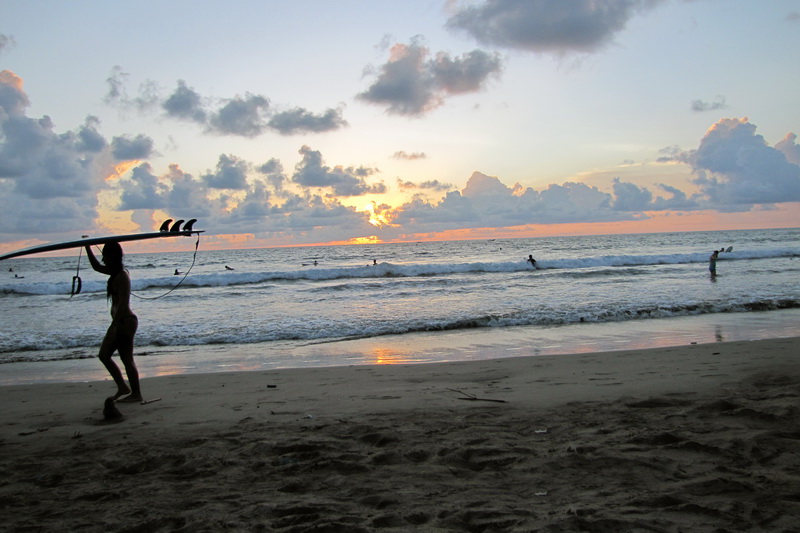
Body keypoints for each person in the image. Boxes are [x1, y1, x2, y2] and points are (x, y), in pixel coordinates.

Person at [85, 242, 142, 403]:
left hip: (124, 322)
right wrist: (87, 247)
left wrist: (114, 325)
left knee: (126, 358)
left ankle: (136, 393)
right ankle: (123, 387)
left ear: (113, 256)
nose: (103, 258)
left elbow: (123, 302)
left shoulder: (122, 275)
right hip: (121, 322)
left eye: (106, 255)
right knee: (104, 355)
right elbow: (96, 267)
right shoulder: (114, 273)